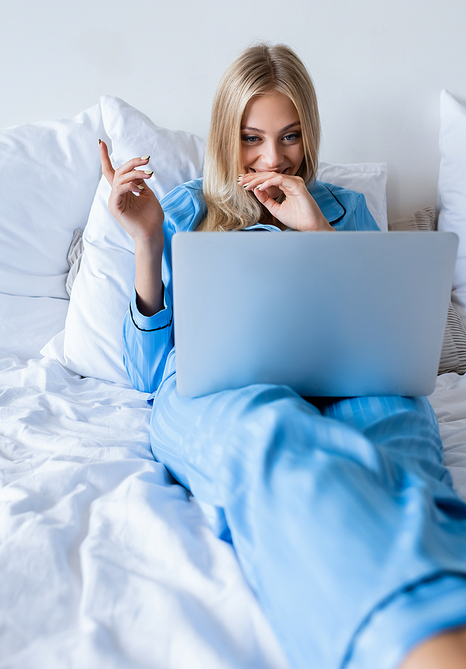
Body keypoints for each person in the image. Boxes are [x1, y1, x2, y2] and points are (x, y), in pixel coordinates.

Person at [100, 44, 466, 669]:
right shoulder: (184, 210)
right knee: (268, 431)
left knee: (397, 435)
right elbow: (145, 374)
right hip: (220, 385)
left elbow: (384, 334)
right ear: (225, 136)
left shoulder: (348, 209)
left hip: (352, 379)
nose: (274, 159)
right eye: (252, 138)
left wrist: (318, 233)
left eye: (291, 137)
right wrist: (147, 239)